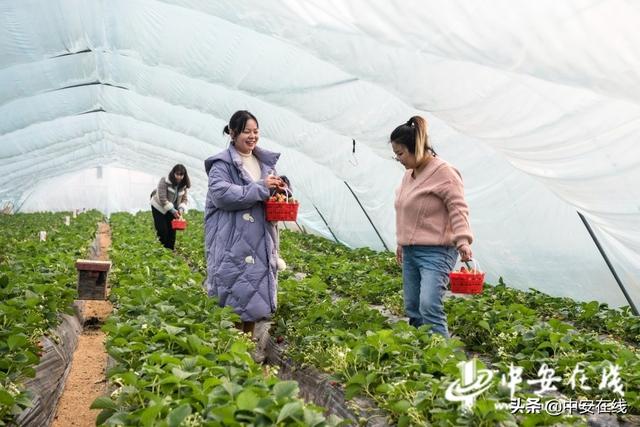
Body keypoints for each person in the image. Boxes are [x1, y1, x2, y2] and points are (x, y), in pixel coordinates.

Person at [204, 110, 288, 338]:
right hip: (233, 243)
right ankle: (232, 353)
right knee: (233, 298)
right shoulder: (222, 164)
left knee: (254, 302)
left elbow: (268, 193)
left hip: (260, 240)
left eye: (255, 131)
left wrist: (279, 191)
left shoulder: (265, 163)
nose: (252, 136)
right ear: (232, 133)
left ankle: (248, 350)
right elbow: (221, 194)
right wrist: (261, 187)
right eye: (246, 131)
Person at [390, 116, 473, 338]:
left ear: (415, 147)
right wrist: (402, 242)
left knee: (429, 305)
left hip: (437, 251)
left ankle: (442, 360)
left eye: (400, 153)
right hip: (411, 251)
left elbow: (458, 208)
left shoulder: (444, 172)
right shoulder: (409, 175)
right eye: (395, 154)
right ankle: (420, 352)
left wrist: (463, 240)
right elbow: (404, 209)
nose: (398, 159)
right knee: (413, 306)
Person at [150, 164, 190, 250]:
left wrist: (181, 209)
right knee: (162, 230)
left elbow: (184, 199)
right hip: (159, 207)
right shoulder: (164, 181)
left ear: (184, 175)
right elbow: (162, 198)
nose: (179, 177)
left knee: (172, 231)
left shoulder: (184, 185)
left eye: (181, 175)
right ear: (173, 173)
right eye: (177, 174)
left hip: (172, 209)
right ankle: (162, 250)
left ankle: (170, 251)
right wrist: (173, 211)